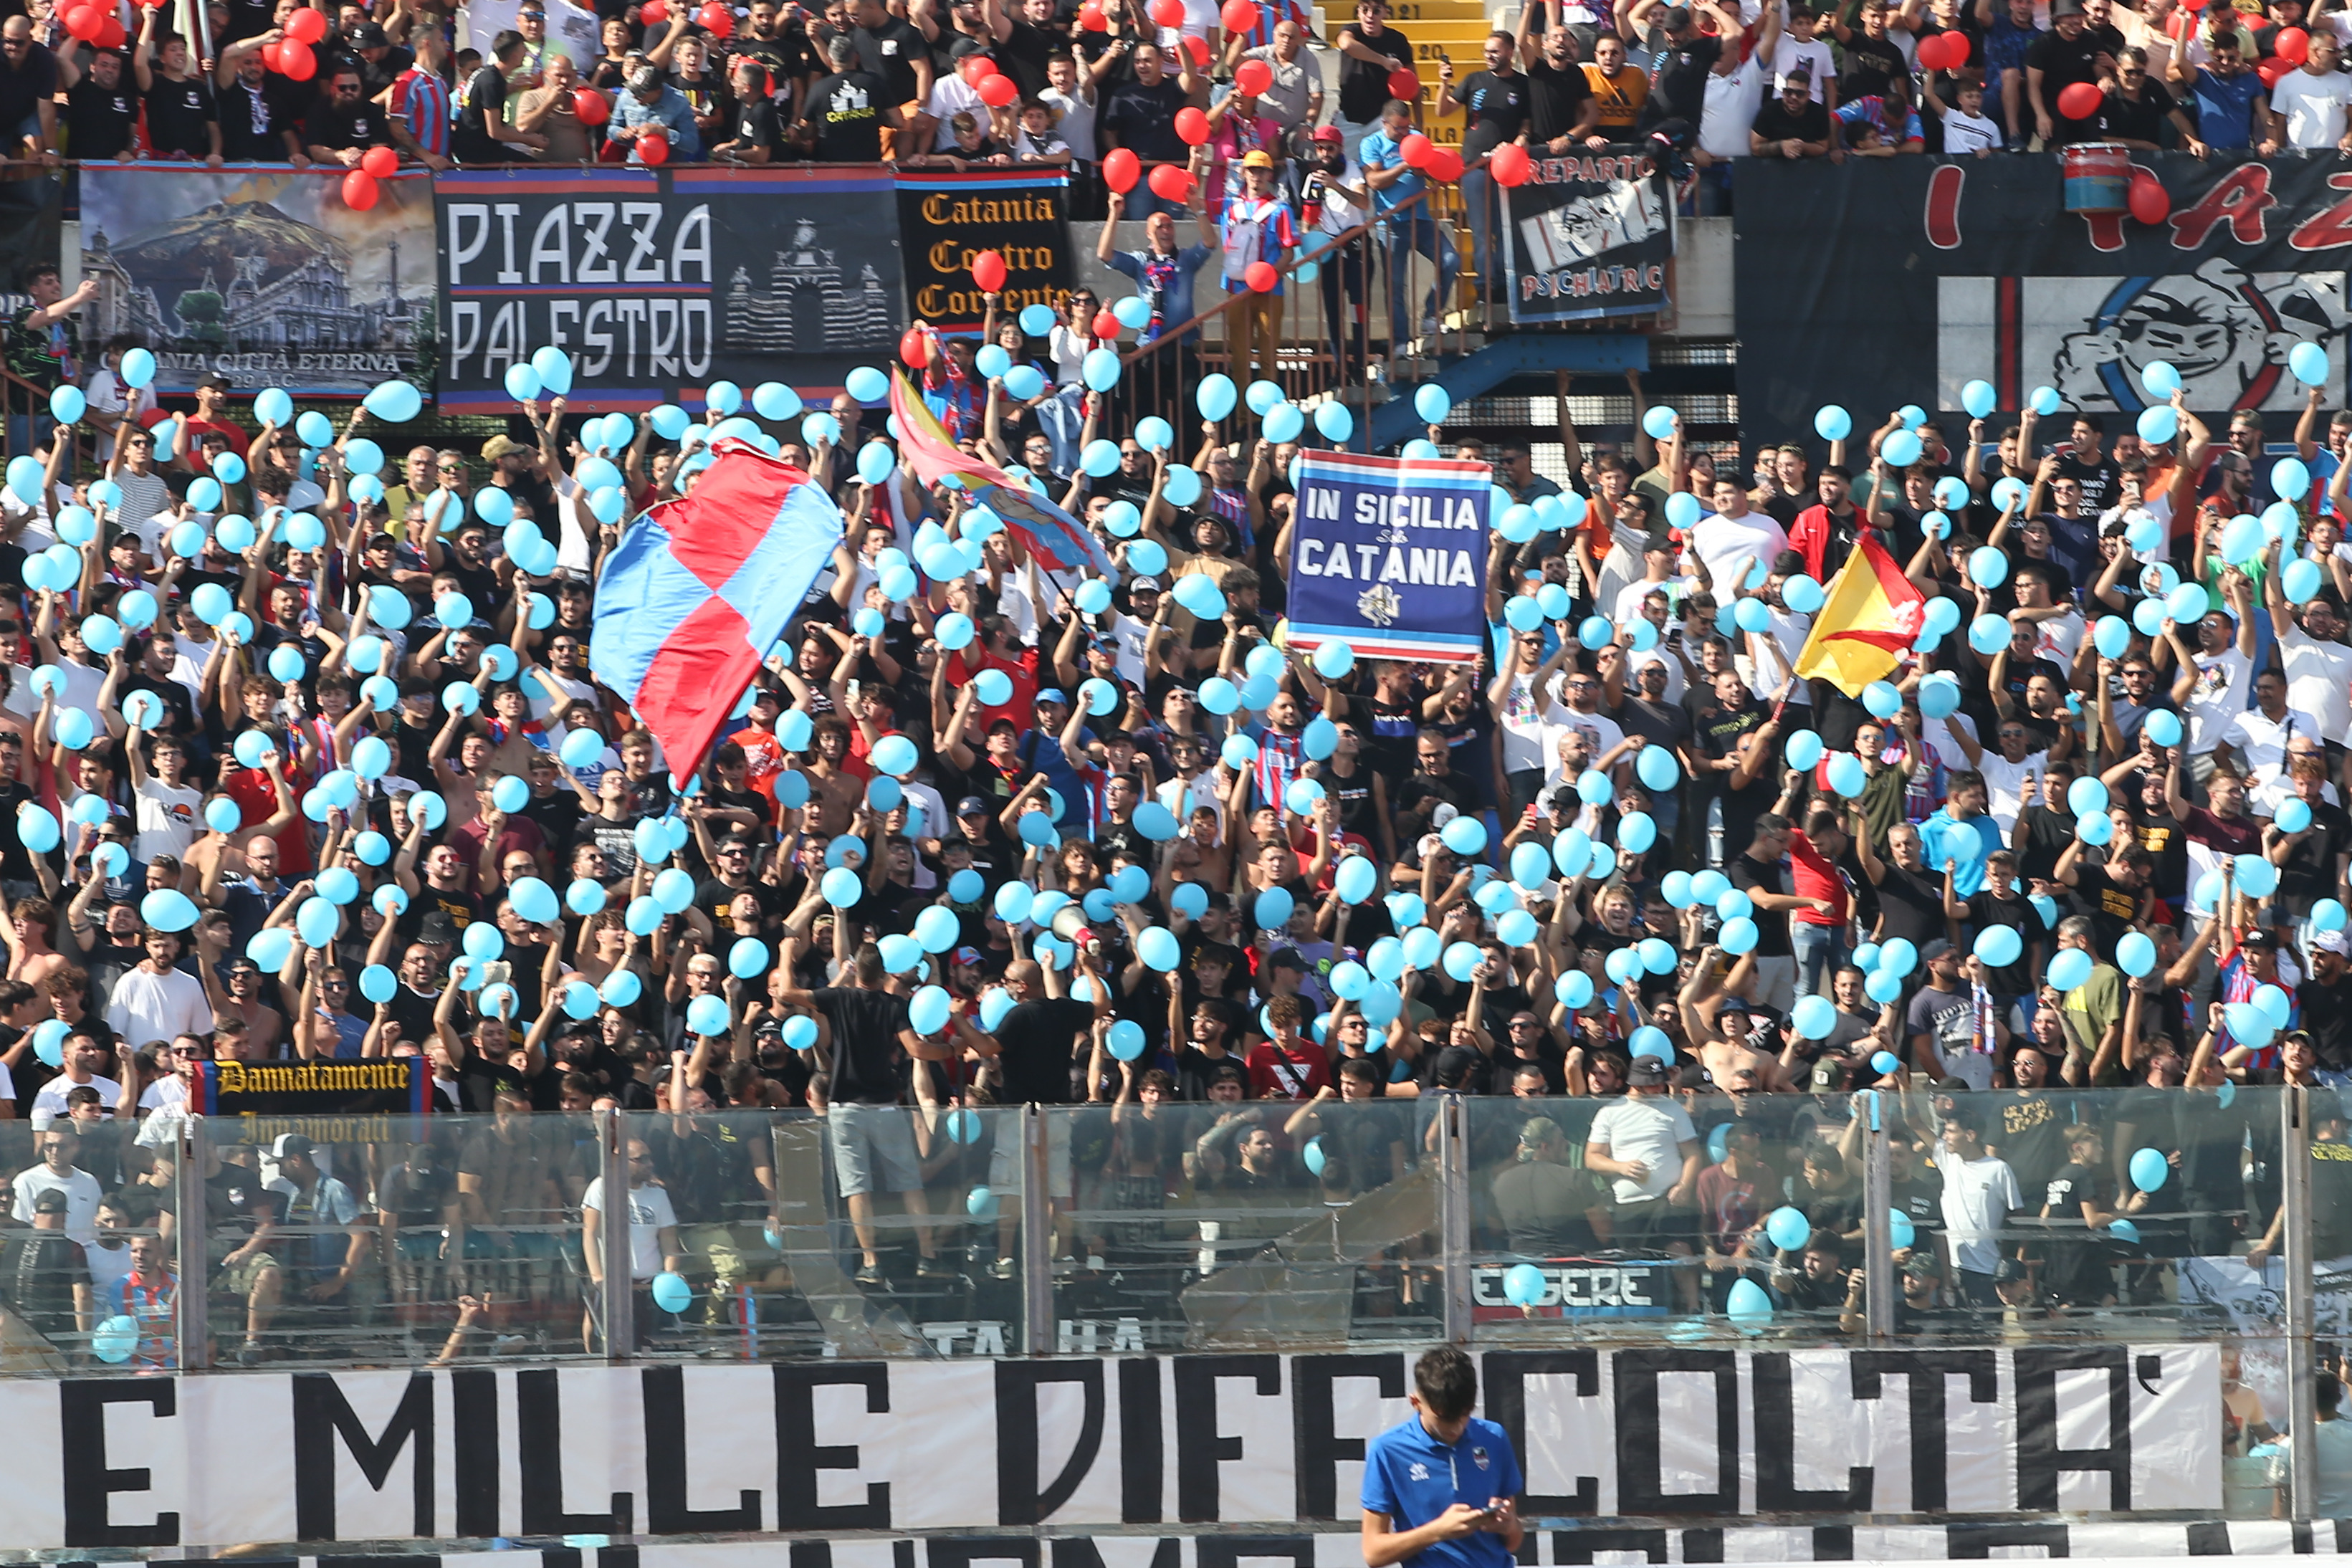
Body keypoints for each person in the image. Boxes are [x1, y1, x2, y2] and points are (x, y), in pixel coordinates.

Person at [1362, 1347, 1525, 1568]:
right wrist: (1438, 1531)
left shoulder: (1493, 1437)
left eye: (1464, 1415)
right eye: (1444, 1419)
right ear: (1416, 1402)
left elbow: (1513, 1542)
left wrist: (1508, 1525)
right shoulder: (1388, 1450)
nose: (1456, 1428)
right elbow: (1373, 1553)